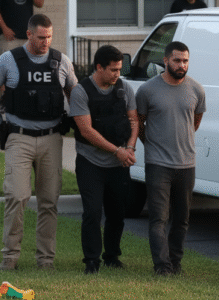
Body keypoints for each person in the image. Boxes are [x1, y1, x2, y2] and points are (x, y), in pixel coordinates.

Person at [0, 14, 77, 271]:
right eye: (41, 37)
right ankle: (10, 258)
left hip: (52, 138)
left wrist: (85, 130)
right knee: (17, 196)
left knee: (49, 201)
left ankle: (45, 261)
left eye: (49, 37)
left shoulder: (61, 61)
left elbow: (77, 97)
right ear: (29, 34)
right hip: (19, 137)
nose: (46, 42)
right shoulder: (9, 60)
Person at [136, 41, 206, 275]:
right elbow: (140, 124)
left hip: (187, 163)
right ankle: (162, 266)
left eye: (185, 60)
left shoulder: (196, 89)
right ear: (165, 61)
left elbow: (194, 123)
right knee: (158, 218)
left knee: (182, 219)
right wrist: (154, 144)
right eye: (177, 60)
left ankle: (175, 263)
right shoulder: (147, 90)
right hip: (158, 164)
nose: (181, 65)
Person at [70, 45, 139, 274]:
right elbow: (87, 131)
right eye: (112, 70)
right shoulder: (81, 91)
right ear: (99, 67)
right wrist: (117, 151)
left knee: (117, 213)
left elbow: (134, 121)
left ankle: (112, 256)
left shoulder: (124, 89)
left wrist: (129, 147)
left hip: (118, 164)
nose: (117, 74)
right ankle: (91, 260)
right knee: (92, 212)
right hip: (91, 163)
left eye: (119, 69)